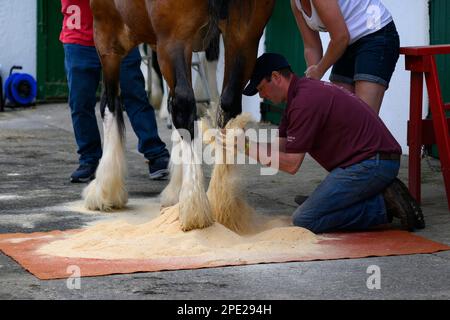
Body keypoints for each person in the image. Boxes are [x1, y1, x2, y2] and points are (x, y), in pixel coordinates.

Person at [240, 53, 424, 234]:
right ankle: (340, 202)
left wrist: (245, 147)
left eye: (261, 88)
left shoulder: (303, 102)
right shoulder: (297, 97)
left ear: (275, 77)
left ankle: (383, 205)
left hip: (373, 164)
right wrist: (242, 142)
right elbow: (278, 150)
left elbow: (291, 164)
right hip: (367, 161)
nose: (262, 96)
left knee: (304, 220)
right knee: (315, 210)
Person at [60, 0, 170, 183]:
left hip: (119, 35)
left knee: (135, 95)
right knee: (80, 102)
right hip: (79, 40)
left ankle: (156, 153)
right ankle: (89, 159)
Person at [291, 0, 400, 114]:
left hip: (376, 33)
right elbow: (311, 47)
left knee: (364, 117)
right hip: (347, 42)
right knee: (340, 115)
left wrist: (319, 70)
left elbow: (340, 38)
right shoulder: (295, 3)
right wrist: (312, 81)